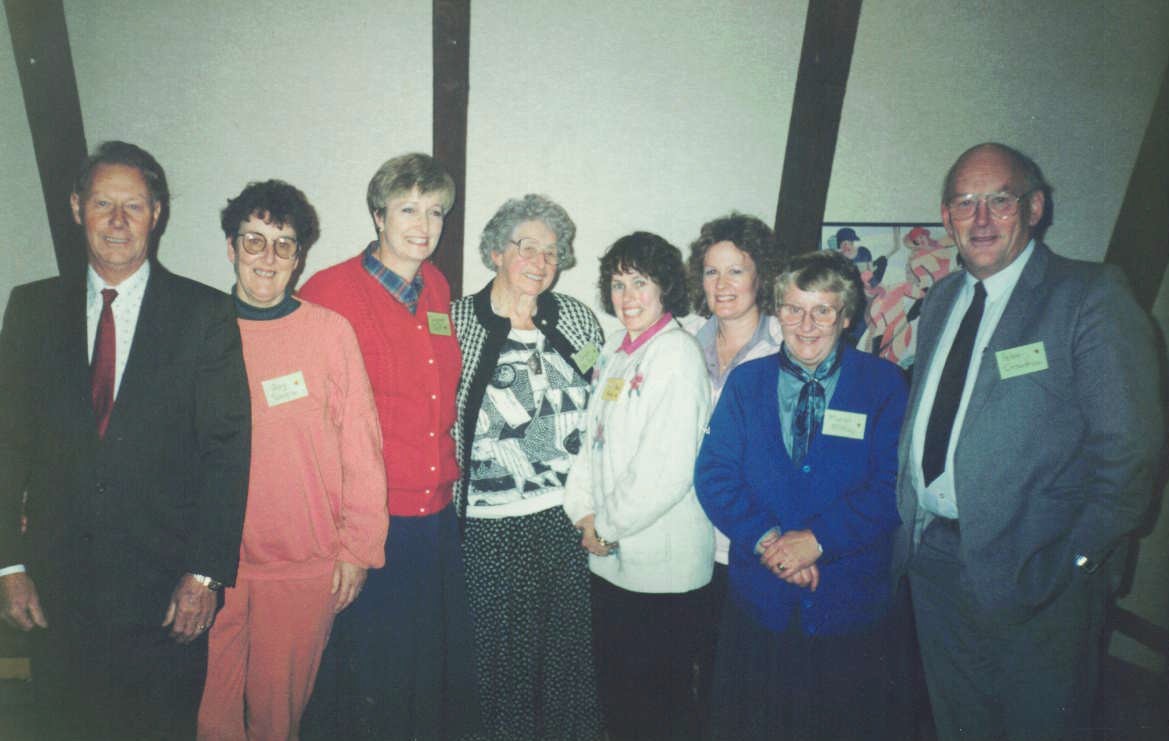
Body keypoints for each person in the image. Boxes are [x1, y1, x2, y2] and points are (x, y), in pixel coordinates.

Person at [892, 143, 1163, 741]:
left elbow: (1133, 457)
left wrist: (1075, 561)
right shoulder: (941, 300)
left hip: (1040, 573)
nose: (981, 219)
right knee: (958, 723)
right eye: (965, 202)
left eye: (1000, 200)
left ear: (1035, 208)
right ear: (947, 217)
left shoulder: (1089, 296)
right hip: (935, 560)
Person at [0, 141, 251, 740]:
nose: (117, 221)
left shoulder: (205, 314)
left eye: (133, 206)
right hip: (57, 592)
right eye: (102, 204)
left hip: (165, 596)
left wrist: (205, 576)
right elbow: (7, 444)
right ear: (75, 207)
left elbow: (226, 453)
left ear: (156, 214)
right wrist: (9, 564)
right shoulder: (31, 310)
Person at [196, 180, 389, 740]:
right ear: (231, 248)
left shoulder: (329, 333)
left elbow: (361, 445)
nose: (267, 257)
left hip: (302, 564)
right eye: (254, 241)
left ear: (300, 257)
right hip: (210, 565)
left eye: (284, 245)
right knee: (210, 717)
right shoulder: (198, 330)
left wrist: (357, 548)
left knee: (278, 720)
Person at [297, 153, 478, 741]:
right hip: (370, 521)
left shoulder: (438, 288)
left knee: (427, 678)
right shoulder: (328, 293)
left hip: (435, 516)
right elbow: (310, 421)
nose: (423, 225)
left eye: (435, 212)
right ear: (378, 215)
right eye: (408, 209)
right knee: (368, 683)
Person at [695, 250, 907, 740]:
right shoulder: (748, 383)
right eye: (793, 309)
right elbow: (715, 474)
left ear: (846, 316)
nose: (806, 324)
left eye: (823, 310)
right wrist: (771, 541)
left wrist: (817, 541)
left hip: (847, 600)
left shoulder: (883, 384)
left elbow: (893, 485)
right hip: (760, 599)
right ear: (778, 312)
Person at [451, 194, 605, 741]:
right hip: (489, 524)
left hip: (564, 517)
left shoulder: (576, 320)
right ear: (496, 252)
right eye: (527, 247)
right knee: (497, 662)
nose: (540, 261)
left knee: (566, 659)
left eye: (552, 251)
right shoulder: (460, 322)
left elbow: (602, 404)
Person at [562, 232, 713, 741]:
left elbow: (667, 469)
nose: (627, 296)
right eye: (618, 283)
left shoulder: (677, 355)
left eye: (640, 283)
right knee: (621, 699)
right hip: (611, 555)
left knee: (658, 710)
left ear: (665, 287)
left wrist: (603, 525)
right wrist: (582, 514)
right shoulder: (615, 351)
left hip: (660, 567)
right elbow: (591, 442)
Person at [681, 212, 782, 727]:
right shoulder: (687, 346)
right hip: (695, 541)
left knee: (749, 679)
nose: (722, 285)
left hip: (755, 539)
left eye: (736, 271)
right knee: (699, 672)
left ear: (759, 275)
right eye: (711, 272)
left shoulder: (786, 346)